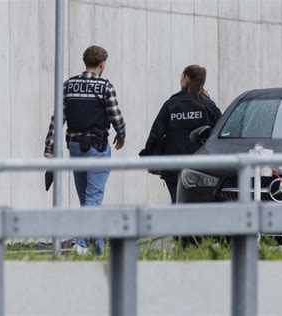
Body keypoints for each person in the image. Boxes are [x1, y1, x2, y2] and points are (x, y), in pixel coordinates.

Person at [44, 45, 125, 256]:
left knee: (88, 200)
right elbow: (116, 116)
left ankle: (98, 249)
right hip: (97, 148)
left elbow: (57, 118)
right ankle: (80, 243)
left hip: (75, 148)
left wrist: (49, 147)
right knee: (94, 198)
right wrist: (121, 134)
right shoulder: (105, 86)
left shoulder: (68, 85)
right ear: (101, 64)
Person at [140, 65, 222, 203]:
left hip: (173, 165)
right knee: (199, 204)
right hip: (201, 167)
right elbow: (221, 130)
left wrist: (148, 154)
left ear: (186, 79)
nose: (180, 79)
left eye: (181, 77)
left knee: (177, 202)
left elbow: (156, 133)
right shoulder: (209, 105)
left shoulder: (171, 104)